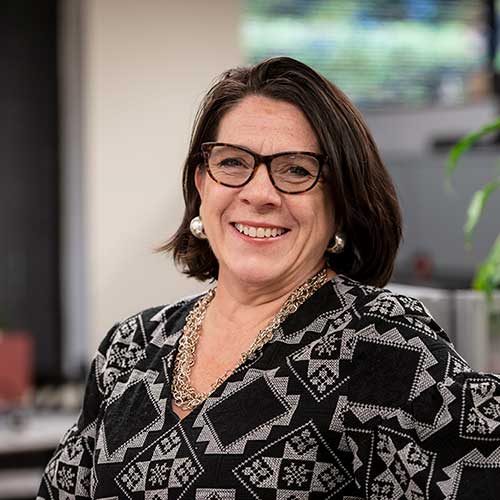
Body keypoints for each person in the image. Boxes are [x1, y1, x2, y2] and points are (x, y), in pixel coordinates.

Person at [38, 57, 500, 500]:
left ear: (340, 201)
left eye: (296, 170)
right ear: (202, 184)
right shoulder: (132, 344)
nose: (259, 194)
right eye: (233, 163)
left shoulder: (380, 343)